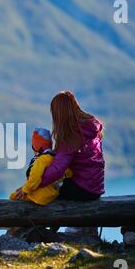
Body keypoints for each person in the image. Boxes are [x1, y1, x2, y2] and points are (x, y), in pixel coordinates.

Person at [39, 90, 105, 237]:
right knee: (56, 187)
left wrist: (35, 182)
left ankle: (42, 231)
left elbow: (57, 169)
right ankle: (67, 229)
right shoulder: (90, 128)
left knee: (45, 193)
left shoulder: (71, 135)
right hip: (95, 188)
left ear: (59, 113)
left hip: (81, 189)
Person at [10, 127, 72, 205]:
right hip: (53, 194)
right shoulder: (56, 158)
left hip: (40, 196)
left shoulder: (40, 160)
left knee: (13, 196)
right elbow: (68, 172)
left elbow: (34, 178)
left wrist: (25, 189)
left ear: (37, 148)